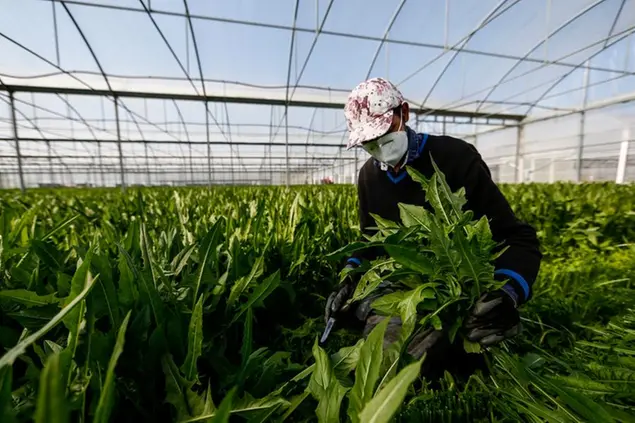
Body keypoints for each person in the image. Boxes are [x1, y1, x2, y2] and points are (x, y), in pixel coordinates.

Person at [324, 77, 542, 378]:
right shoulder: (368, 177)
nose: (379, 147)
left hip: (457, 294)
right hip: (405, 293)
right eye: (368, 142)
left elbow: (517, 237)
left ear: (405, 113)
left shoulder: (455, 158)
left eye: (384, 133)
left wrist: (508, 293)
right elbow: (370, 243)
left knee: (447, 359)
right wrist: (349, 279)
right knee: (385, 365)